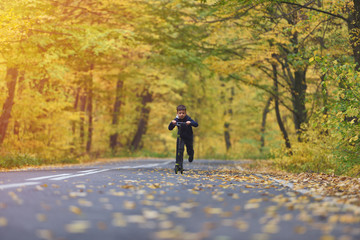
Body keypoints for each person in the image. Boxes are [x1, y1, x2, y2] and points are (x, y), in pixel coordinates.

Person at [168, 105, 198, 172]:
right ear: (177, 113)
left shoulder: (187, 118)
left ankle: (191, 154)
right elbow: (170, 128)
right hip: (180, 137)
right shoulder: (176, 119)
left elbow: (196, 124)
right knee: (180, 150)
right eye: (180, 113)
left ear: (185, 113)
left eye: (183, 113)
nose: (181, 114)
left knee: (189, 149)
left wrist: (190, 122)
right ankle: (179, 164)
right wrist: (172, 123)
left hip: (188, 137)